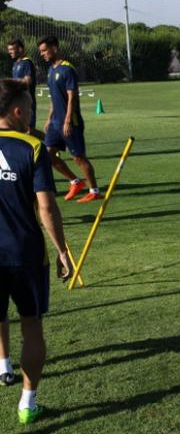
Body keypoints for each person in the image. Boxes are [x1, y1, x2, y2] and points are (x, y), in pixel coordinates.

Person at [0, 78, 72, 424]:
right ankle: (27, 402)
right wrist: (62, 251)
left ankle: (3, 365)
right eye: (29, 107)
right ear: (16, 111)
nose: (32, 113)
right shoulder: (33, 148)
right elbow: (46, 209)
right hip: (26, 254)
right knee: (32, 326)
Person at [37, 35, 100, 203]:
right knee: (47, 155)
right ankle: (75, 181)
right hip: (55, 122)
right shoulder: (51, 70)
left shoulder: (67, 69)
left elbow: (72, 98)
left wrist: (67, 121)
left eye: (44, 50)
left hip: (70, 122)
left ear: (54, 48)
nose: (42, 54)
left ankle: (94, 191)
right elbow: (53, 97)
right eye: (41, 51)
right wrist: (49, 119)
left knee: (78, 157)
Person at [7, 39, 42, 139]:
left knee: (28, 130)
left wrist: (8, 84)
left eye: (12, 49)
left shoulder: (26, 63)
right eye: (9, 49)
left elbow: (27, 81)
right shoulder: (15, 65)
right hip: (17, 103)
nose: (9, 52)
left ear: (20, 49)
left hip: (27, 102)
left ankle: (50, 142)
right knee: (20, 129)